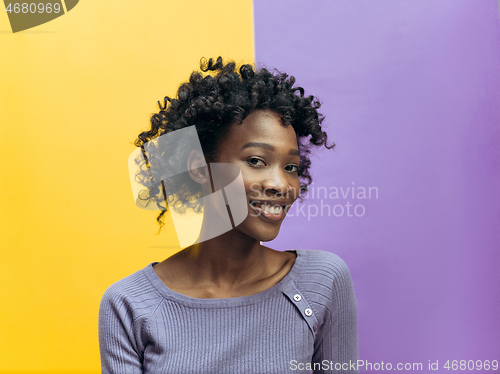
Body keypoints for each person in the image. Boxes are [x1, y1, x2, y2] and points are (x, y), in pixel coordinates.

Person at [98, 57, 359, 374]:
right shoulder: (129, 305)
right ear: (198, 167)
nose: (281, 184)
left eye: (291, 167)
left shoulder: (321, 281)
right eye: (256, 161)